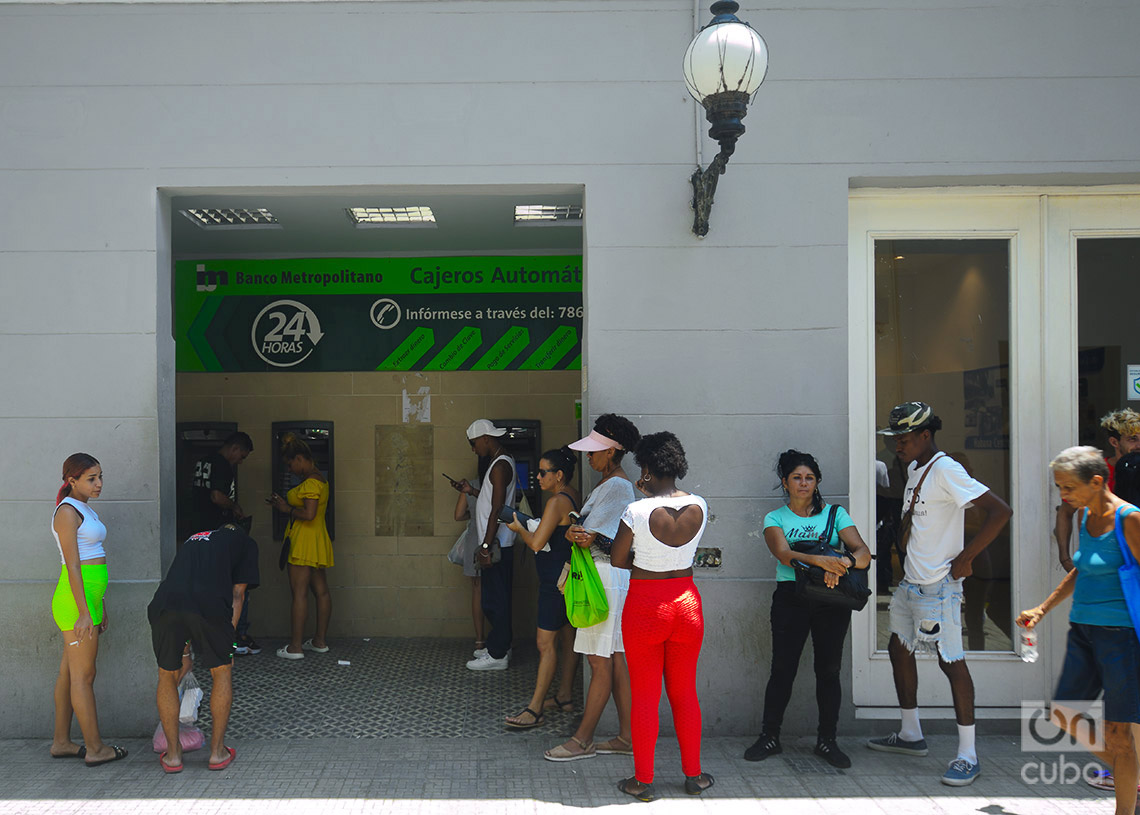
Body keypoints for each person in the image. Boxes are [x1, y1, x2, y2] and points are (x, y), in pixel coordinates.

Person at [867, 401, 1012, 786]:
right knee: (899, 649)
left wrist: (967, 557)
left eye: (904, 438)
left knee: (951, 661)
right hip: (911, 584)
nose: (897, 445)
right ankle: (911, 733)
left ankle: (968, 755)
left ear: (925, 435)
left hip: (939, 587)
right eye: (894, 438)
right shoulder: (915, 468)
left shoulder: (947, 469)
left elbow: (1000, 511)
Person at [1018, 446, 1140, 815]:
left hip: (1121, 637)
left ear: (1098, 481)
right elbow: (1082, 568)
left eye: (1069, 487)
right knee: (1062, 714)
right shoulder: (1086, 514)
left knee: (1119, 734)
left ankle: (1124, 802)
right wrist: (1042, 608)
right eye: (1059, 487)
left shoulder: (1129, 518)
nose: (1064, 495)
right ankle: (1127, 769)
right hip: (1083, 631)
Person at [745, 450, 872, 769]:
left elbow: (863, 553)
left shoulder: (836, 514)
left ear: (817, 483)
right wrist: (821, 561)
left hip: (831, 601)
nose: (803, 483)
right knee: (782, 669)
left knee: (828, 670)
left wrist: (840, 564)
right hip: (791, 597)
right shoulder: (775, 518)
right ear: (785, 483)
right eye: (797, 478)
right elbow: (783, 554)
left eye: (809, 478)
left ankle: (827, 741)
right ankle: (769, 737)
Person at [611, 431, 713, 801]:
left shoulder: (636, 510)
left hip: (645, 606)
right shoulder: (700, 504)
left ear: (648, 468)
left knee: (645, 696)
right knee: (685, 692)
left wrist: (643, 496)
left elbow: (620, 559)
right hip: (687, 603)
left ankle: (643, 780)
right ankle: (694, 776)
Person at [544, 414, 640, 762]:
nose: (589, 457)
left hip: (603, 578)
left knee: (600, 663)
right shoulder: (613, 484)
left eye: (595, 450)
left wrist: (574, 530)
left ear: (613, 451)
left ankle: (582, 740)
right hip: (610, 579)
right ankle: (627, 737)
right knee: (615, 662)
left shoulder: (615, 485)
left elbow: (586, 536)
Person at [149, 523, 259, 772]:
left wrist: (185, 651)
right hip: (209, 605)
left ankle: (173, 756)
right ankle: (218, 753)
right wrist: (229, 642)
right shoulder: (246, 543)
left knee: (167, 675)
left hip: (165, 603)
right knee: (221, 672)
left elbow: (185, 588)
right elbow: (237, 594)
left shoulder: (195, 537)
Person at [49, 453, 128, 766]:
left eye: (100, 476)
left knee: (70, 674)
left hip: (88, 601)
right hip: (74, 602)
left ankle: (61, 742)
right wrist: (85, 611)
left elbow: (91, 556)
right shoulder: (66, 512)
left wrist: (99, 605)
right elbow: (73, 566)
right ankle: (95, 749)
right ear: (72, 481)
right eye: (91, 478)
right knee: (84, 675)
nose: (99, 484)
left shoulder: (83, 508)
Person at [504, 447, 581, 728]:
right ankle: (564, 696)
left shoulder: (556, 502)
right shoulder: (573, 494)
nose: (537, 476)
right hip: (567, 578)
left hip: (554, 583)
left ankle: (535, 709)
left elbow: (536, 543)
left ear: (558, 475)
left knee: (544, 643)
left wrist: (519, 529)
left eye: (543, 472)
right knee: (568, 638)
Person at [451, 419, 518, 671]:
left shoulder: (500, 465)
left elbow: (497, 508)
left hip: (497, 544)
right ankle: (500, 646)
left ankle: (498, 655)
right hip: (498, 542)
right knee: (496, 598)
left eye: (473, 443)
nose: (473, 449)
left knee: (494, 601)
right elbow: (491, 498)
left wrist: (486, 545)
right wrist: (471, 490)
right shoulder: (501, 462)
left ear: (486, 439)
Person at [192, 432, 259, 655]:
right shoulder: (221, 465)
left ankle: (202, 636)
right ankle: (234, 636)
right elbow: (216, 496)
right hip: (217, 533)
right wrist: (234, 507)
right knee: (236, 585)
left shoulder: (203, 461)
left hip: (198, 533)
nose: (239, 462)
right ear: (235, 449)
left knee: (203, 585)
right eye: (241, 457)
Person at [269, 432, 333, 660]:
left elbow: (309, 513)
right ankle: (319, 641)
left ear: (299, 458)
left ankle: (296, 647)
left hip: (304, 540)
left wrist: (286, 509)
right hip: (316, 539)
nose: (290, 470)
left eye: (290, 464)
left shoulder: (311, 482)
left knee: (299, 594)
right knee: (321, 592)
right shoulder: (319, 479)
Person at [1056, 409, 1140, 571]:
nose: (1139, 445)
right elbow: (1065, 512)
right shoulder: (1096, 473)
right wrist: (1065, 559)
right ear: (1114, 442)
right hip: (1102, 559)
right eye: (1133, 439)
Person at [452, 483, 486, 655]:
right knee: (499, 591)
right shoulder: (499, 481)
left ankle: (480, 640)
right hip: (496, 539)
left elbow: (458, 515)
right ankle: (502, 640)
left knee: (477, 591)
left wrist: (472, 515)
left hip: (474, 539)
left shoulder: (471, 484)